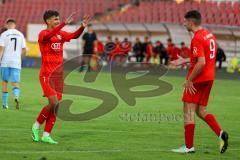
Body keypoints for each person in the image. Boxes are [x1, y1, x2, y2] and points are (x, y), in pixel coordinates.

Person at [171, 10, 228, 154]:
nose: (183, 24)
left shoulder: (196, 38)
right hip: (209, 78)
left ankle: (189, 147)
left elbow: (201, 63)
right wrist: (184, 60)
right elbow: (204, 57)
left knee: (188, 111)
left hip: (198, 78)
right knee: (201, 111)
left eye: (185, 21)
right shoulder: (208, 34)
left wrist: (189, 80)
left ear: (191, 22)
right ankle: (221, 134)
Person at [31, 10, 90, 144]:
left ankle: (46, 135)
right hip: (47, 75)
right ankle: (36, 126)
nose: (58, 21)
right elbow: (49, 35)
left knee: (56, 107)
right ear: (48, 21)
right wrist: (63, 24)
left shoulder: (60, 34)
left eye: (58, 19)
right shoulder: (43, 34)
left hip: (58, 76)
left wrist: (82, 27)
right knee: (53, 103)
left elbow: (74, 36)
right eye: (55, 19)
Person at [0, 19, 26, 109]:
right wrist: (19, 58)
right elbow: (24, 49)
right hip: (16, 62)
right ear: (15, 25)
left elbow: (1, 49)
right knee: (15, 82)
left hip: (5, 61)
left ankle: (5, 104)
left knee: (4, 82)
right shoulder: (20, 34)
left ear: (6, 25)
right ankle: (16, 96)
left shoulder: (3, 34)